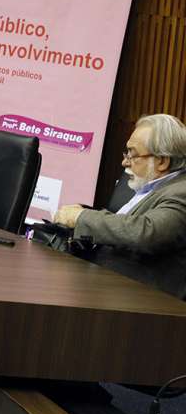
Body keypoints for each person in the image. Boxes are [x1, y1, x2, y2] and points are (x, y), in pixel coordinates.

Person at [54, 114, 186, 298]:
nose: (125, 162)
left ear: (162, 161)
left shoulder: (181, 191)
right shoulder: (151, 184)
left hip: (138, 300)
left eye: (133, 154)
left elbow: (146, 232)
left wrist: (81, 217)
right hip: (103, 280)